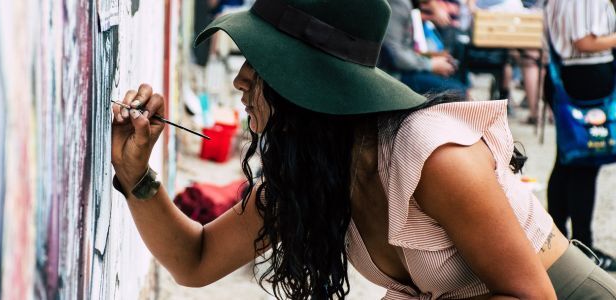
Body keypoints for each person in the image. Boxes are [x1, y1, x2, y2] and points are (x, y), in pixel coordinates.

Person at [111, 0, 616, 298]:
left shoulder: (430, 154)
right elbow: (196, 260)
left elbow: (532, 298)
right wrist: (137, 176)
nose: (241, 79)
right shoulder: (318, 173)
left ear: (307, 83)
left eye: (259, 62)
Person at [545, 0, 616, 272]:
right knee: (583, 164)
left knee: (568, 162)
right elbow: (583, 42)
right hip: (585, 77)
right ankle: (582, 246)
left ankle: (559, 242)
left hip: (576, 75)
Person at [383, 0, 468, 95]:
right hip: (393, 75)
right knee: (457, 91)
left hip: (403, 69)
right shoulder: (399, 3)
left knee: (457, 77)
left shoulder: (411, 6)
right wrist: (431, 65)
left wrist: (434, 59)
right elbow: (395, 55)